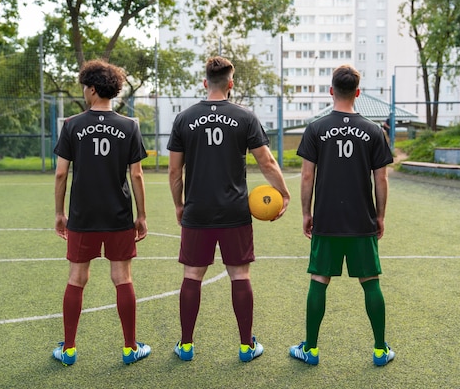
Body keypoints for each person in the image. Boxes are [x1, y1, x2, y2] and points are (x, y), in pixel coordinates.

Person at [167, 56, 291, 362]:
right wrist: (284, 194)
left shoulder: (184, 118)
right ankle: (246, 347)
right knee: (239, 275)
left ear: (205, 82)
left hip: (198, 211)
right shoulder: (244, 117)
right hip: (235, 211)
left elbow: (174, 172)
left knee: (192, 275)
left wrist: (179, 205)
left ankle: (185, 345)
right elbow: (266, 161)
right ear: (231, 84)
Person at [289, 64, 395, 367]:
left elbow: (307, 177)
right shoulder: (374, 131)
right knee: (370, 281)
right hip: (361, 218)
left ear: (331, 91)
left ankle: (310, 350)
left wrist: (306, 213)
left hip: (327, 218)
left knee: (319, 279)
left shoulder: (316, 128)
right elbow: (382, 180)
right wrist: (381, 216)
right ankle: (379, 350)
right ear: (358, 93)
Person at [52, 59, 151, 366]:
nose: (83, 91)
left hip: (83, 216)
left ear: (93, 89)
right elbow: (136, 175)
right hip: (118, 216)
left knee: (77, 278)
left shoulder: (72, 125)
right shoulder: (129, 126)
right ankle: (129, 347)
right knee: (122, 277)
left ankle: (68, 349)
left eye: (84, 87)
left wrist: (59, 213)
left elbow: (60, 175)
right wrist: (142, 216)